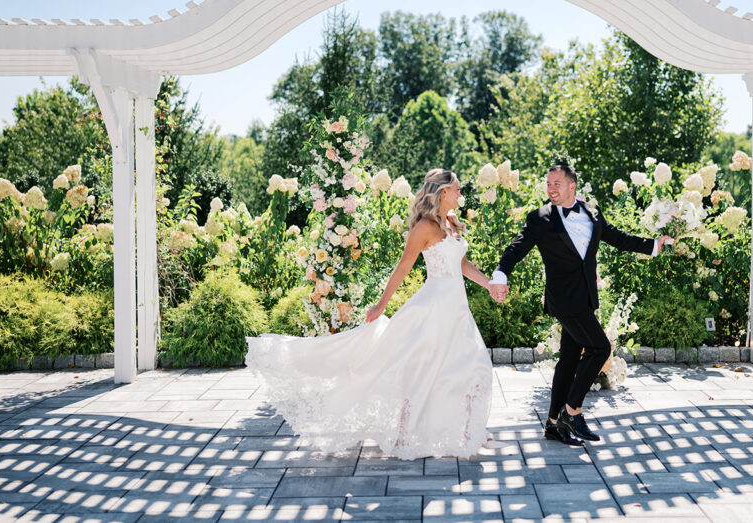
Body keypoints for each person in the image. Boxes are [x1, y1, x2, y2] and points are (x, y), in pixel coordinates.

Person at [246, 168, 495, 460]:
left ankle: (467, 433)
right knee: (422, 371)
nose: (460, 195)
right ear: (442, 193)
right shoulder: (424, 228)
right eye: (456, 190)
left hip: (457, 308)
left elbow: (461, 262)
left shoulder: (452, 222)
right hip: (434, 309)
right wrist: (380, 306)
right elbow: (403, 269)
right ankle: (406, 437)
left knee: (474, 366)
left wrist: (489, 284)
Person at [488, 162, 674, 446]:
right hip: (563, 299)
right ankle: (572, 411)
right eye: (548, 184)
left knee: (569, 360)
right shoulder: (539, 218)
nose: (551, 189)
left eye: (556, 184)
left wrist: (653, 246)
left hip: (584, 297)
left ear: (572, 185)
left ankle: (553, 424)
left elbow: (618, 238)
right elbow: (517, 247)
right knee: (600, 347)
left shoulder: (592, 212)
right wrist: (500, 274)